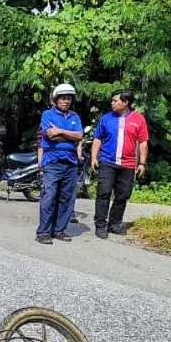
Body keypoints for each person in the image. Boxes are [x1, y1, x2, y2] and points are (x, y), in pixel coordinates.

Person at [90, 89, 149, 238]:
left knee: (122, 195)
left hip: (128, 164)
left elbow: (143, 142)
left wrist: (142, 163)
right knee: (103, 193)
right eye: (112, 100)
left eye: (115, 101)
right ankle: (100, 225)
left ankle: (115, 223)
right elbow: (97, 138)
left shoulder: (138, 119)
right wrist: (93, 157)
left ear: (125, 102)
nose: (112, 103)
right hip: (107, 162)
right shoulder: (106, 118)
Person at [35, 84, 84, 244]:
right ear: (56, 99)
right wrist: (71, 136)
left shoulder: (75, 117)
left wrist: (61, 132)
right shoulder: (47, 115)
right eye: (63, 98)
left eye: (68, 98)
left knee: (67, 198)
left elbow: (79, 136)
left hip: (70, 163)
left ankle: (59, 230)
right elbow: (50, 135)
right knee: (49, 197)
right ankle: (43, 232)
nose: (66, 101)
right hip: (52, 162)